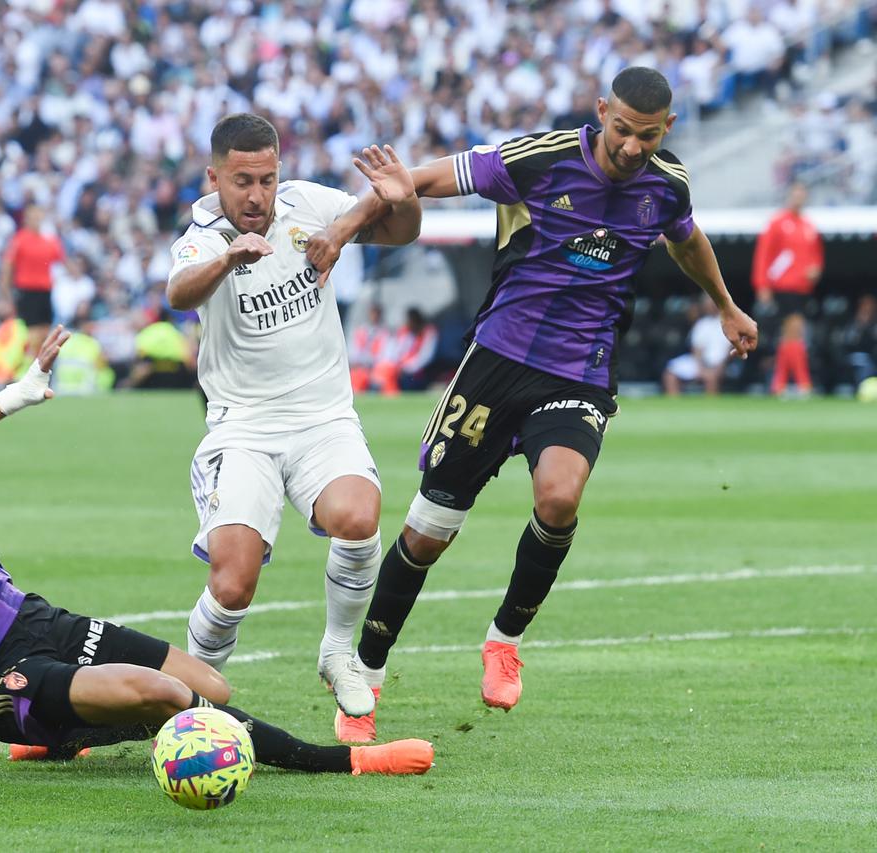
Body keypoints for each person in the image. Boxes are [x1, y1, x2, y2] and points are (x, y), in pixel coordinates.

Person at [308, 67, 759, 741]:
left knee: (558, 499)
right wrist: (348, 224)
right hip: (494, 365)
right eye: (621, 130)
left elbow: (685, 236)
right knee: (428, 534)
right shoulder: (539, 159)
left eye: (647, 135)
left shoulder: (666, 183)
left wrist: (725, 304)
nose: (632, 148)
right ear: (600, 111)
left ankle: (503, 639)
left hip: (578, 374)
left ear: (666, 128)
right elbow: (420, 180)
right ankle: (365, 676)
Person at [0, 329, 432, 787]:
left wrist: (13, 397)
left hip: (32, 619)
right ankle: (334, 761)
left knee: (210, 686)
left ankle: (64, 734)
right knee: (165, 694)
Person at [165, 113, 421, 730]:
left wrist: (401, 198)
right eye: (243, 181)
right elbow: (179, 292)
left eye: (268, 179)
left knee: (359, 519)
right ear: (215, 177)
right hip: (243, 428)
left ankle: (338, 650)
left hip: (321, 417)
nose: (257, 196)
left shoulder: (306, 203)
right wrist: (229, 259)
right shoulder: (203, 232)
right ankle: (188, 703)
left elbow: (400, 233)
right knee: (233, 585)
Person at [752, 182, 823, 394]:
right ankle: (803, 383)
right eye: (795, 194)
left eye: (802, 195)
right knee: (795, 330)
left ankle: (779, 383)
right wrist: (762, 285)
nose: (798, 198)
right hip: (783, 286)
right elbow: (763, 255)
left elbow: (816, 256)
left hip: (802, 288)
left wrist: (815, 269)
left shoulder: (809, 226)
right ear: (789, 196)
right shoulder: (777, 223)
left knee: (789, 336)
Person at [0, 205, 64, 362]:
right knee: (32, 334)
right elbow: (7, 269)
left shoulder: (49, 241)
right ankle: (29, 370)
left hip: (45, 292)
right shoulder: (19, 240)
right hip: (28, 291)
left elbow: (62, 261)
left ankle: (38, 369)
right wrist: (7, 296)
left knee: (44, 333)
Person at [662, 299, 731, 395]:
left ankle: (711, 406)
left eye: (711, 304)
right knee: (670, 375)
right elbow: (696, 349)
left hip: (720, 363)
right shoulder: (701, 324)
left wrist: (721, 366)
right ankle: (675, 405)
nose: (708, 307)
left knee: (711, 377)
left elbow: (730, 350)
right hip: (700, 362)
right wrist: (700, 368)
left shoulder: (728, 323)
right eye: (707, 304)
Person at [372, 307, 439, 395]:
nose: (408, 324)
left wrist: (405, 368)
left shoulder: (428, 332)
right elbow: (396, 352)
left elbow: (425, 357)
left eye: (411, 321)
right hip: (400, 369)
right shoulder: (406, 332)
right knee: (385, 370)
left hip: (418, 373)